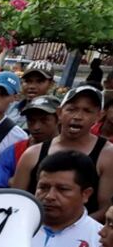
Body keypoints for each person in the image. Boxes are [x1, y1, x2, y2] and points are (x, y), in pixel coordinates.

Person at [12, 85, 113, 218]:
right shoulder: (32, 154)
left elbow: (105, 208)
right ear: (59, 113)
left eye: (87, 111)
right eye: (71, 109)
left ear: (99, 116)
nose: (78, 116)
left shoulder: (107, 155)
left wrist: (69, 230)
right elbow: (15, 201)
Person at [7, 61, 55, 125]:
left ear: (51, 84)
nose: (32, 86)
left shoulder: (53, 114)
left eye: (40, 81)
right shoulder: (11, 107)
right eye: (28, 81)